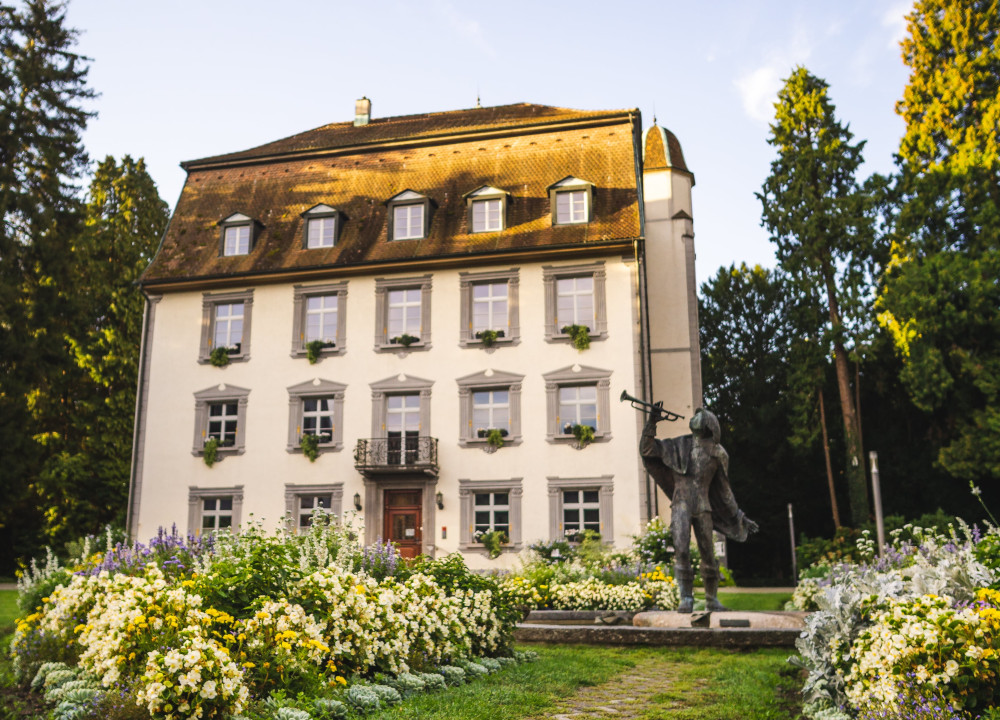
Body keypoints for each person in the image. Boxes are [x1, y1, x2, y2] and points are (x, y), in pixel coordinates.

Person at [640, 405, 758, 612]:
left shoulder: (717, 452)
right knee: (682, 550)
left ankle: (712, 599)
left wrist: (740, 516)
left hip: (704, 507)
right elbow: (647, 449)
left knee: (708, 553)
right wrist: (651, 423)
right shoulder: (677, 445)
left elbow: (724, 490)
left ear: (708, 425)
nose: (695, 417)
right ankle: (686, 598)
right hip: (681, 506)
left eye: (699, 416)